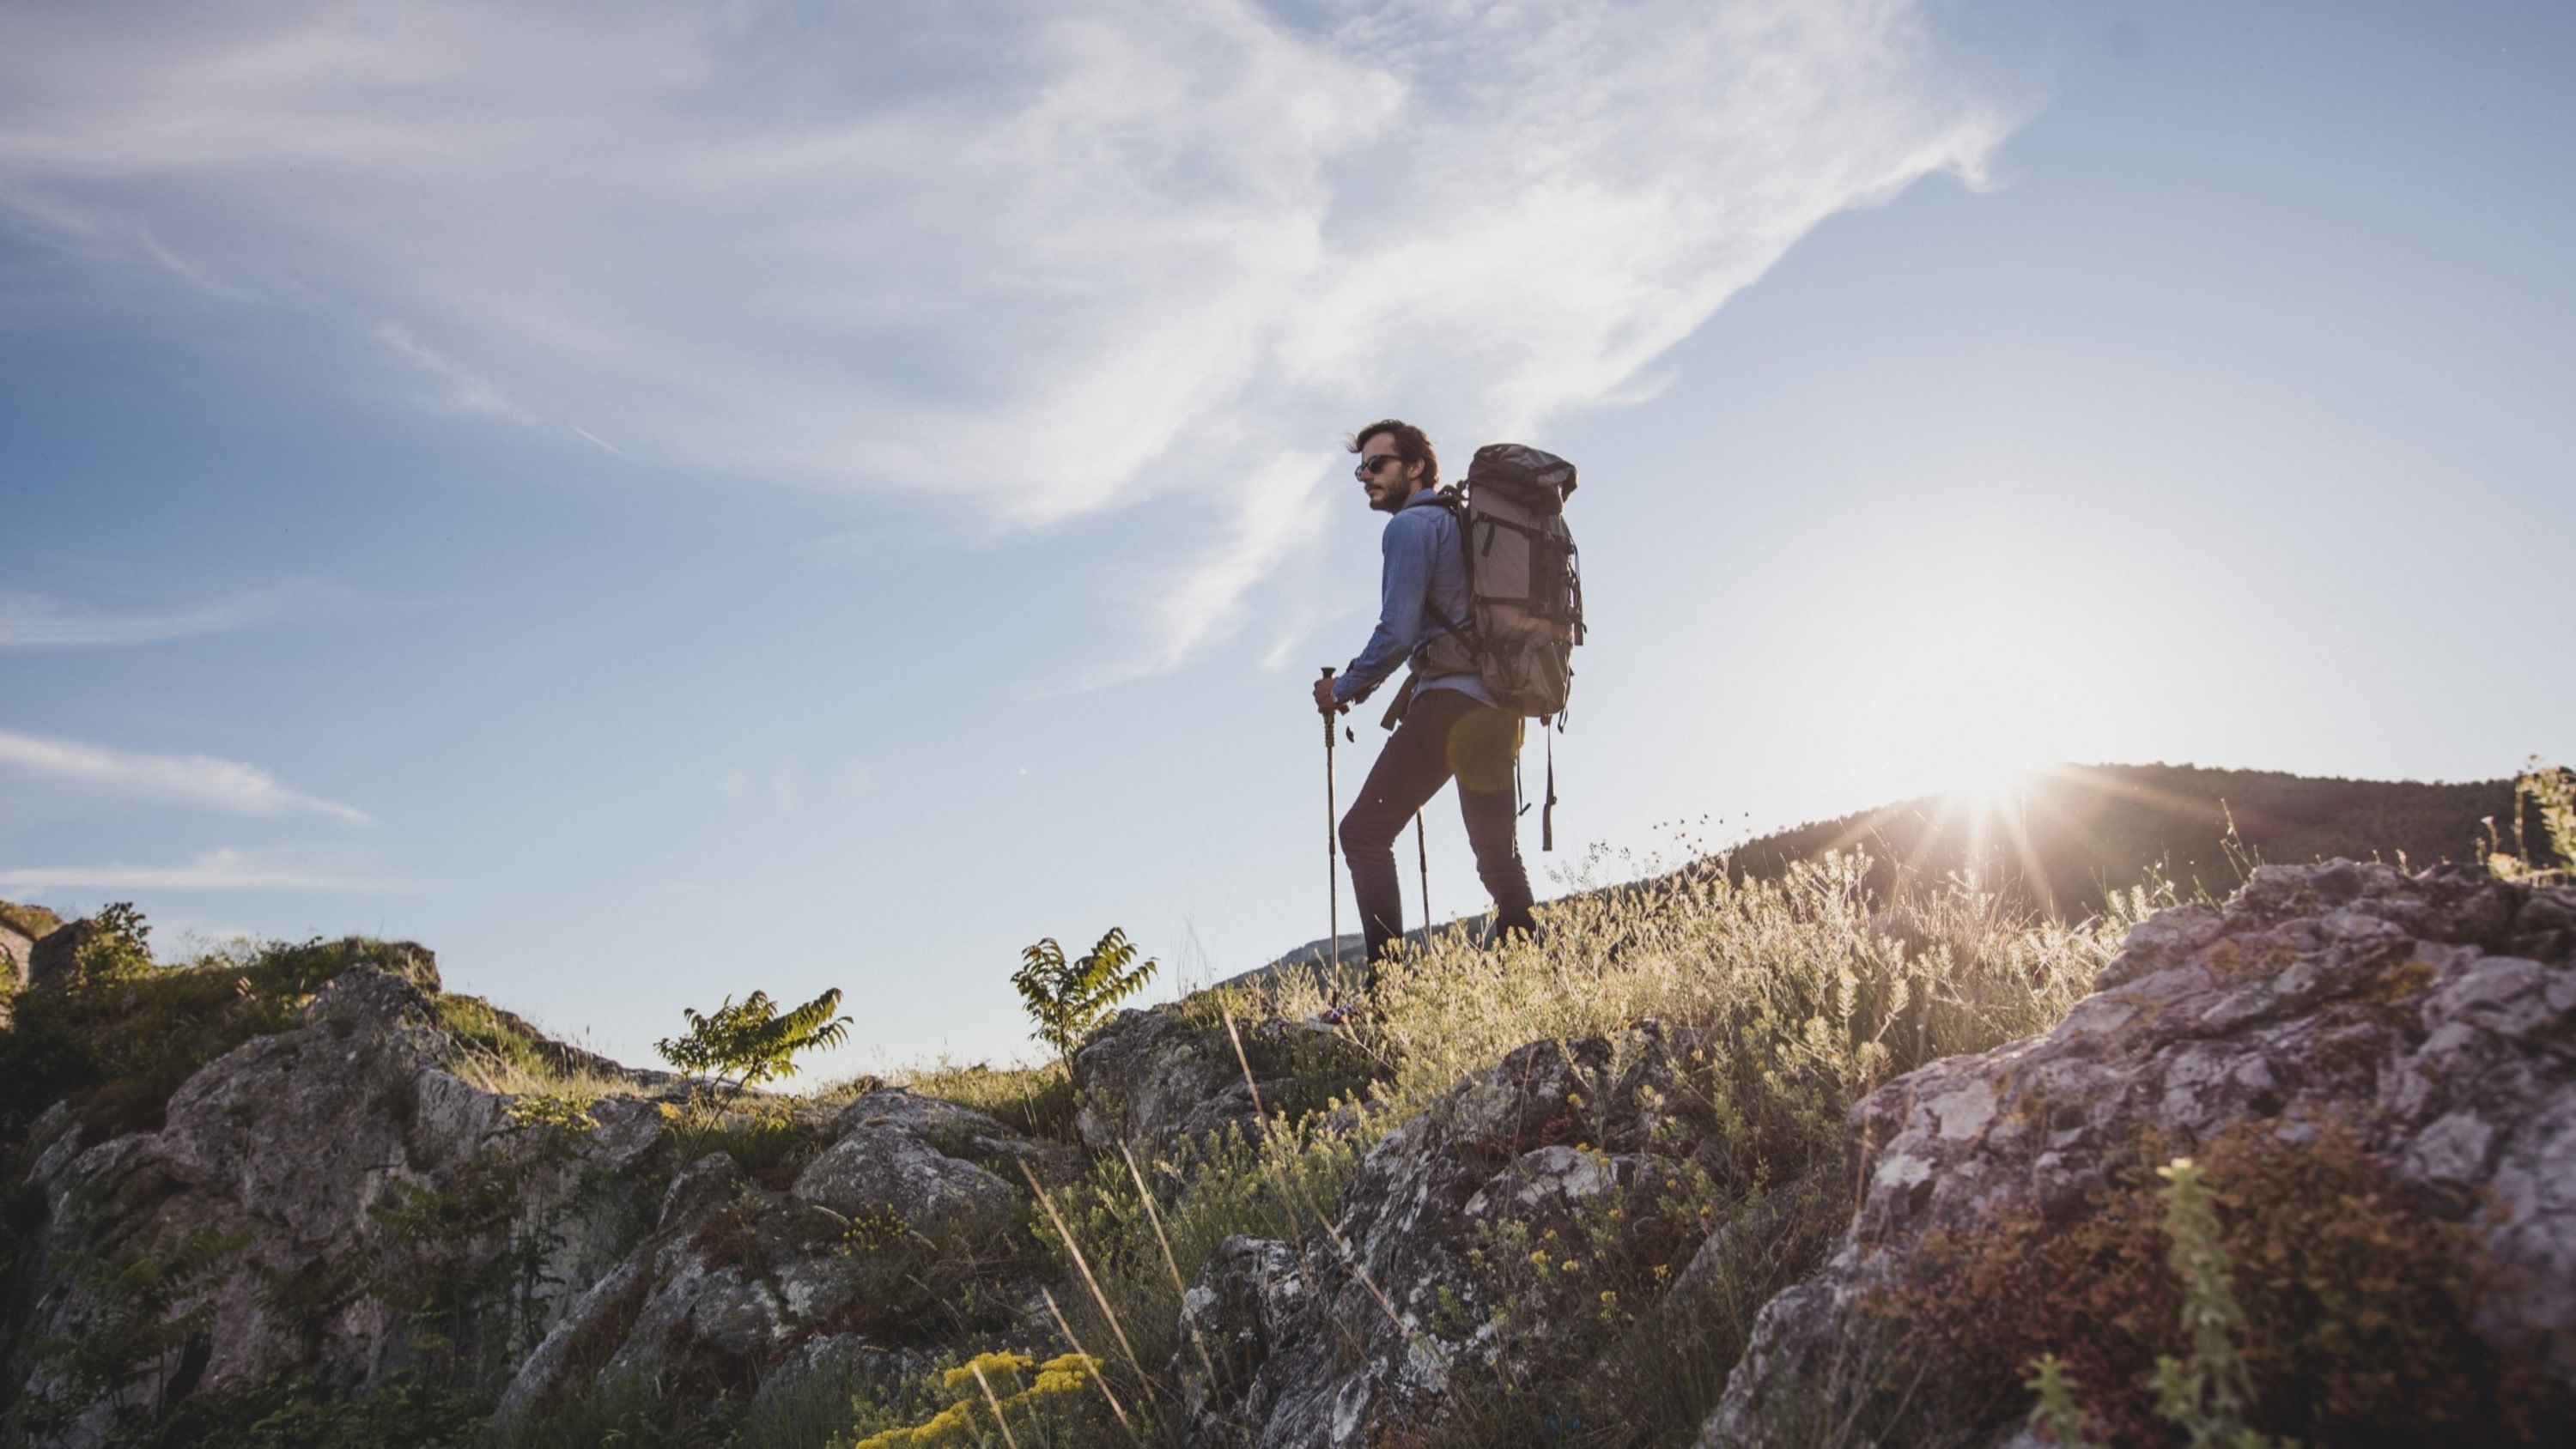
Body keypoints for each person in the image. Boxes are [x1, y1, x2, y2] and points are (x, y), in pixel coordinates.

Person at [1311, 419, 1538, 984]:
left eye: (1377, 464)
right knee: (1497, 854)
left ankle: (1387, 992)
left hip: (1450, 705)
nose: (1365, 476)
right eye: (1360, 467)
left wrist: (1340, 689)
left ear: (1415, 468)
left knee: (1362, 834)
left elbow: (1397, 632)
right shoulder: (1463, 524)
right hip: (1498, 705)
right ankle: (1537, 976)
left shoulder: (1410, 528)